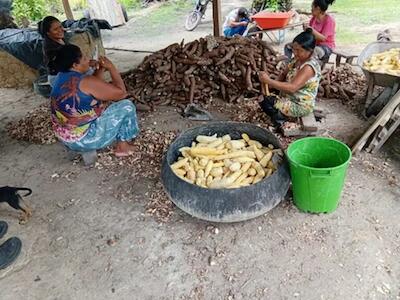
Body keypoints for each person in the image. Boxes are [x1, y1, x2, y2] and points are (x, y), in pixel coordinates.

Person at [50, 44, 139, 157]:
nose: (88, 59)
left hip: (65, 138)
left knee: (104, 103)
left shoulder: (60, 76)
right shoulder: (85, 81)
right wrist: (111, 67)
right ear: (75, 65)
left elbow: (95, 87)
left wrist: (100, 68)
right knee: (126, 105)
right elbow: (121, 93)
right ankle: (123, 147)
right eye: (84, 58)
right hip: (87, 140)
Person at [258, 29, 321, 126]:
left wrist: (269, 81)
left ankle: (281, 121)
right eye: (294, 49)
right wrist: (271, 85)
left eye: (299, 50)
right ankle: (281, 113)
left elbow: (292, 88)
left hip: (300, 105)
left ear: (310, 51)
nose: (295, 53)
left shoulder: (309, 67)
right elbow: (283, 74)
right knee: (265, 97)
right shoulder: (296, 59)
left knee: (267, 102)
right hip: (288, 97)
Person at [38, 16, 66, 84]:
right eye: (56, 29)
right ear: (48, 33)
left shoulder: (60, 39)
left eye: (60, 26)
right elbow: (66, 65)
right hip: (57, 77)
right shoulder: (50, 48)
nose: (60, 30)